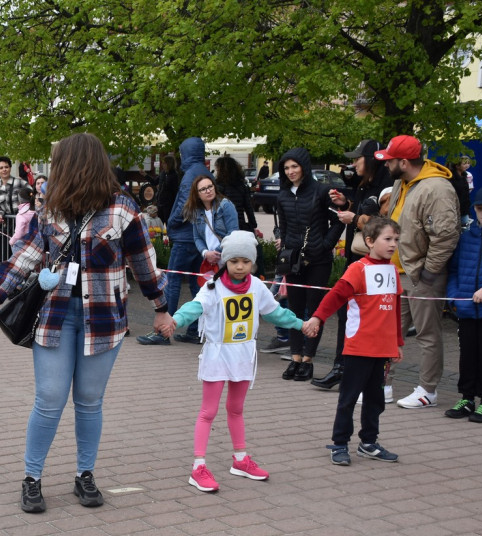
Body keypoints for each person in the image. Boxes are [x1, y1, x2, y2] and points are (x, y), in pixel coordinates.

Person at [0, 133, 172, 514]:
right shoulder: (51, 209)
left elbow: (145, 263)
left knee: (89, 402)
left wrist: (160, 307)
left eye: (57, 161)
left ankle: (85, 474)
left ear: (74, 164)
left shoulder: (122, 209)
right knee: (49, 399)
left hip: (104, 320)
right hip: (56, 316)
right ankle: (32, 478)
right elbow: (27, 256)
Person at [160, 231, 307, 491]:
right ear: (225, 261)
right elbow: (194, 308)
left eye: (246, 261)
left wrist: (300, 324)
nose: (240, 266)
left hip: (243, 355)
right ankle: (198, 467)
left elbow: (276, 313)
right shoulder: (212, 287)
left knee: (236, 409)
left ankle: (240, 460)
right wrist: (175, 321)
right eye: (234, 261)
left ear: (253, 263)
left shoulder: (258, 287)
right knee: (209, 411)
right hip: (218, 354)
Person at [302, 217, 405, 465]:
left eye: (396, 240)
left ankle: (368, 442)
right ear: (370, 241)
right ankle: (339, 443)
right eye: (387, 239)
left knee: (376, 400)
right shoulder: (358, 268)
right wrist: (317, 318)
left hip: (382, 350)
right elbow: (336, 296)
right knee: (348, 398)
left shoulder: (392, 270)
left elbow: (395, 309)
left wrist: (398, 343)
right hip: (359, 348)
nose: (393, 245)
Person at [375, 135, 460, 408]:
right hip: (398, 272)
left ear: (403, 161)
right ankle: (384, 386)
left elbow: (445, 235)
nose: (386, 165)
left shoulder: (437, 188)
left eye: (389, 160)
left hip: (420, 274)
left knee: (427, 334)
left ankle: (428, 390)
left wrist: (429, 273)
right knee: (389, 332)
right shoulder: (402, 182)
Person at [318, 139, 394, 393]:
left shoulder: (386, 186)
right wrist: (345, 205)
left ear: (371, 159)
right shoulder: (365, 184)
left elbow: (386, 226)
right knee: (346, 313)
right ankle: (342, 367)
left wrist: (356, 218)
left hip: (374, 266)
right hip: (357, 260)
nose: (352, 164)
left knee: (366, 318)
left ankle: (366, 376)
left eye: (357, 159)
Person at [273, 147, 343, 382]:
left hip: (319, 261)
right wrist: (283, 246)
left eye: (294, 166)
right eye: (286, 168)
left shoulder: (322, 191)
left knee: (314, 312)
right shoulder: (282, 195)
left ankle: (308, 360)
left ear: (304, 166)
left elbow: (338, 221)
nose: (291, 171)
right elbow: (283, 226)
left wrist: (325, 245)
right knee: (293, 310)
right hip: (293, 261)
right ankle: (295, 358)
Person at [444, 186, 482, 423]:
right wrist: (453, 297)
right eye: (480, 209)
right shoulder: (466, 236)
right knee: (467, 356)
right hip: (467, 310)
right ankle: (467, 398)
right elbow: (455, 271)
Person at [164, 138, 213, 344]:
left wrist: (171, 223)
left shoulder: (189, 176)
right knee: (197, 284)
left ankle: (163, 330)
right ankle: (195, 329)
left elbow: (184, 207)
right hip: (199, 237)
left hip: (184, 237)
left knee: (172, 280)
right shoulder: (206, 173)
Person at [188, 175, 239, 285]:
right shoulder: (197, 212)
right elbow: (196, 237)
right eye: (203, 189)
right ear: (197, 194)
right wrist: (206, 253)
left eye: (210, 186)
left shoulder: (225, 205)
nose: (208, 191)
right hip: (211, 263)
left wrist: (216, 253)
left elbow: (233, 233)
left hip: (228, 260)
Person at [0, 156, 32, 263]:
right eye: (1, 168)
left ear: (10, 168)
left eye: (6, 167)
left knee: (21, 258)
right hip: (7, 227)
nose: (4, 170)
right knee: (6, 257)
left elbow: (33, 196)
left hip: (22, 227)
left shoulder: (20, 183)